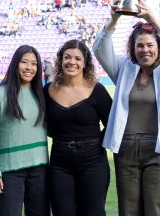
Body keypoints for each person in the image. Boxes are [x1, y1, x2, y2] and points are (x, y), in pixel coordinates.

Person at [92, 0, 160, 216]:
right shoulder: (124, 69)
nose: (145, 50)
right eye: (140, 45)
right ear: (133, 49)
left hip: (159, 149)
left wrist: (153, 17)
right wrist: (114, 18)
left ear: (159, 47)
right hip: (126, 149)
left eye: (150, 45)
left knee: (157, 211)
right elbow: (99, 49)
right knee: (129, 211)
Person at [44, 39, 112, 215]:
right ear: (60, 60)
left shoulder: (97, 90)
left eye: (77, 58)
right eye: (67, 57)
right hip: (60, 161)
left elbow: (112, 123)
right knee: (62, 212)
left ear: (85, 63)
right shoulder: (47, 91)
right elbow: (42, 124)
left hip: (93, 162)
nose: (71, 62)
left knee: (93, 212)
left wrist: (95, 144)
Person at [0, 45, 49, 216]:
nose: (29, 67)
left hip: (40, 171)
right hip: (9, 173)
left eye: (34, 64)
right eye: (24, 62)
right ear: (15, 64)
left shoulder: (41, 95)